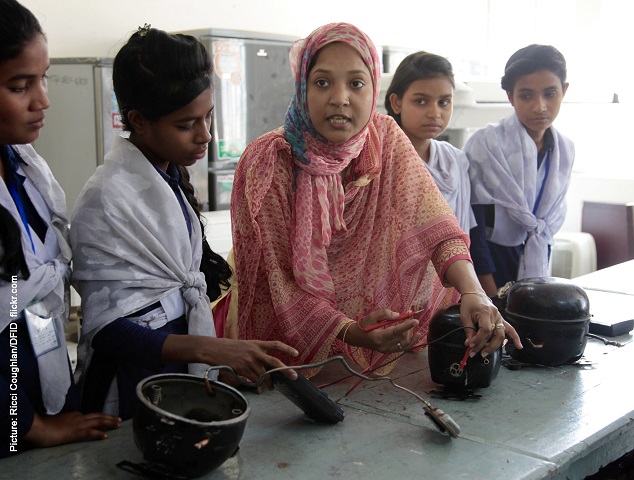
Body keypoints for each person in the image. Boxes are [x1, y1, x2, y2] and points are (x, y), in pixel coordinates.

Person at [230, 22, 522, 377]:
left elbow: (436, 225)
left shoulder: (384, 138)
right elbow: (276, 280)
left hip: (381, 352)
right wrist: (351, 332)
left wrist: (474, 293)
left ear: (373, 90)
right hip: (296, 358)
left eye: (356, 83)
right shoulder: (269, 160)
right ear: (302, 87)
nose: (340, 98)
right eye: (322, 82)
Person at [70, 26, 298, 420]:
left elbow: (174, 303)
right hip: (127, 383)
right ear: (139, 120)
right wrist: (209, 349)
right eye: (186, 124)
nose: (205, 136)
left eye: (208, 117)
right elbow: (106, 330)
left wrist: (219, 360)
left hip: (173, 368)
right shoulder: (107, 199)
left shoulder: (167, 177)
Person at [0, 0, 121, 456]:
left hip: (41, 385)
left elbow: (32, 292)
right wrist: (31, 427)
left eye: (44, 77)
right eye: (19, 85)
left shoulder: (23, 166)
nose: (43, 99)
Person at [465, 44, 574, 296]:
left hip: (535, 261)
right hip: (489, 264)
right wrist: (490, 297)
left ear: (564, 91)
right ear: (510, 95)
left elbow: (543, 228)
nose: (540, 107)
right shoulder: (485, 145)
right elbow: (473, 229)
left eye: (550, 94)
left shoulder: (565, 151)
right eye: (526, 96)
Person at [385, 51, 475, 233]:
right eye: (421, 101)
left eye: (443, 102)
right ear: (396, 103)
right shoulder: (380, 160)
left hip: (453, 261)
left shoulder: (455, 160)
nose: (434, 113)